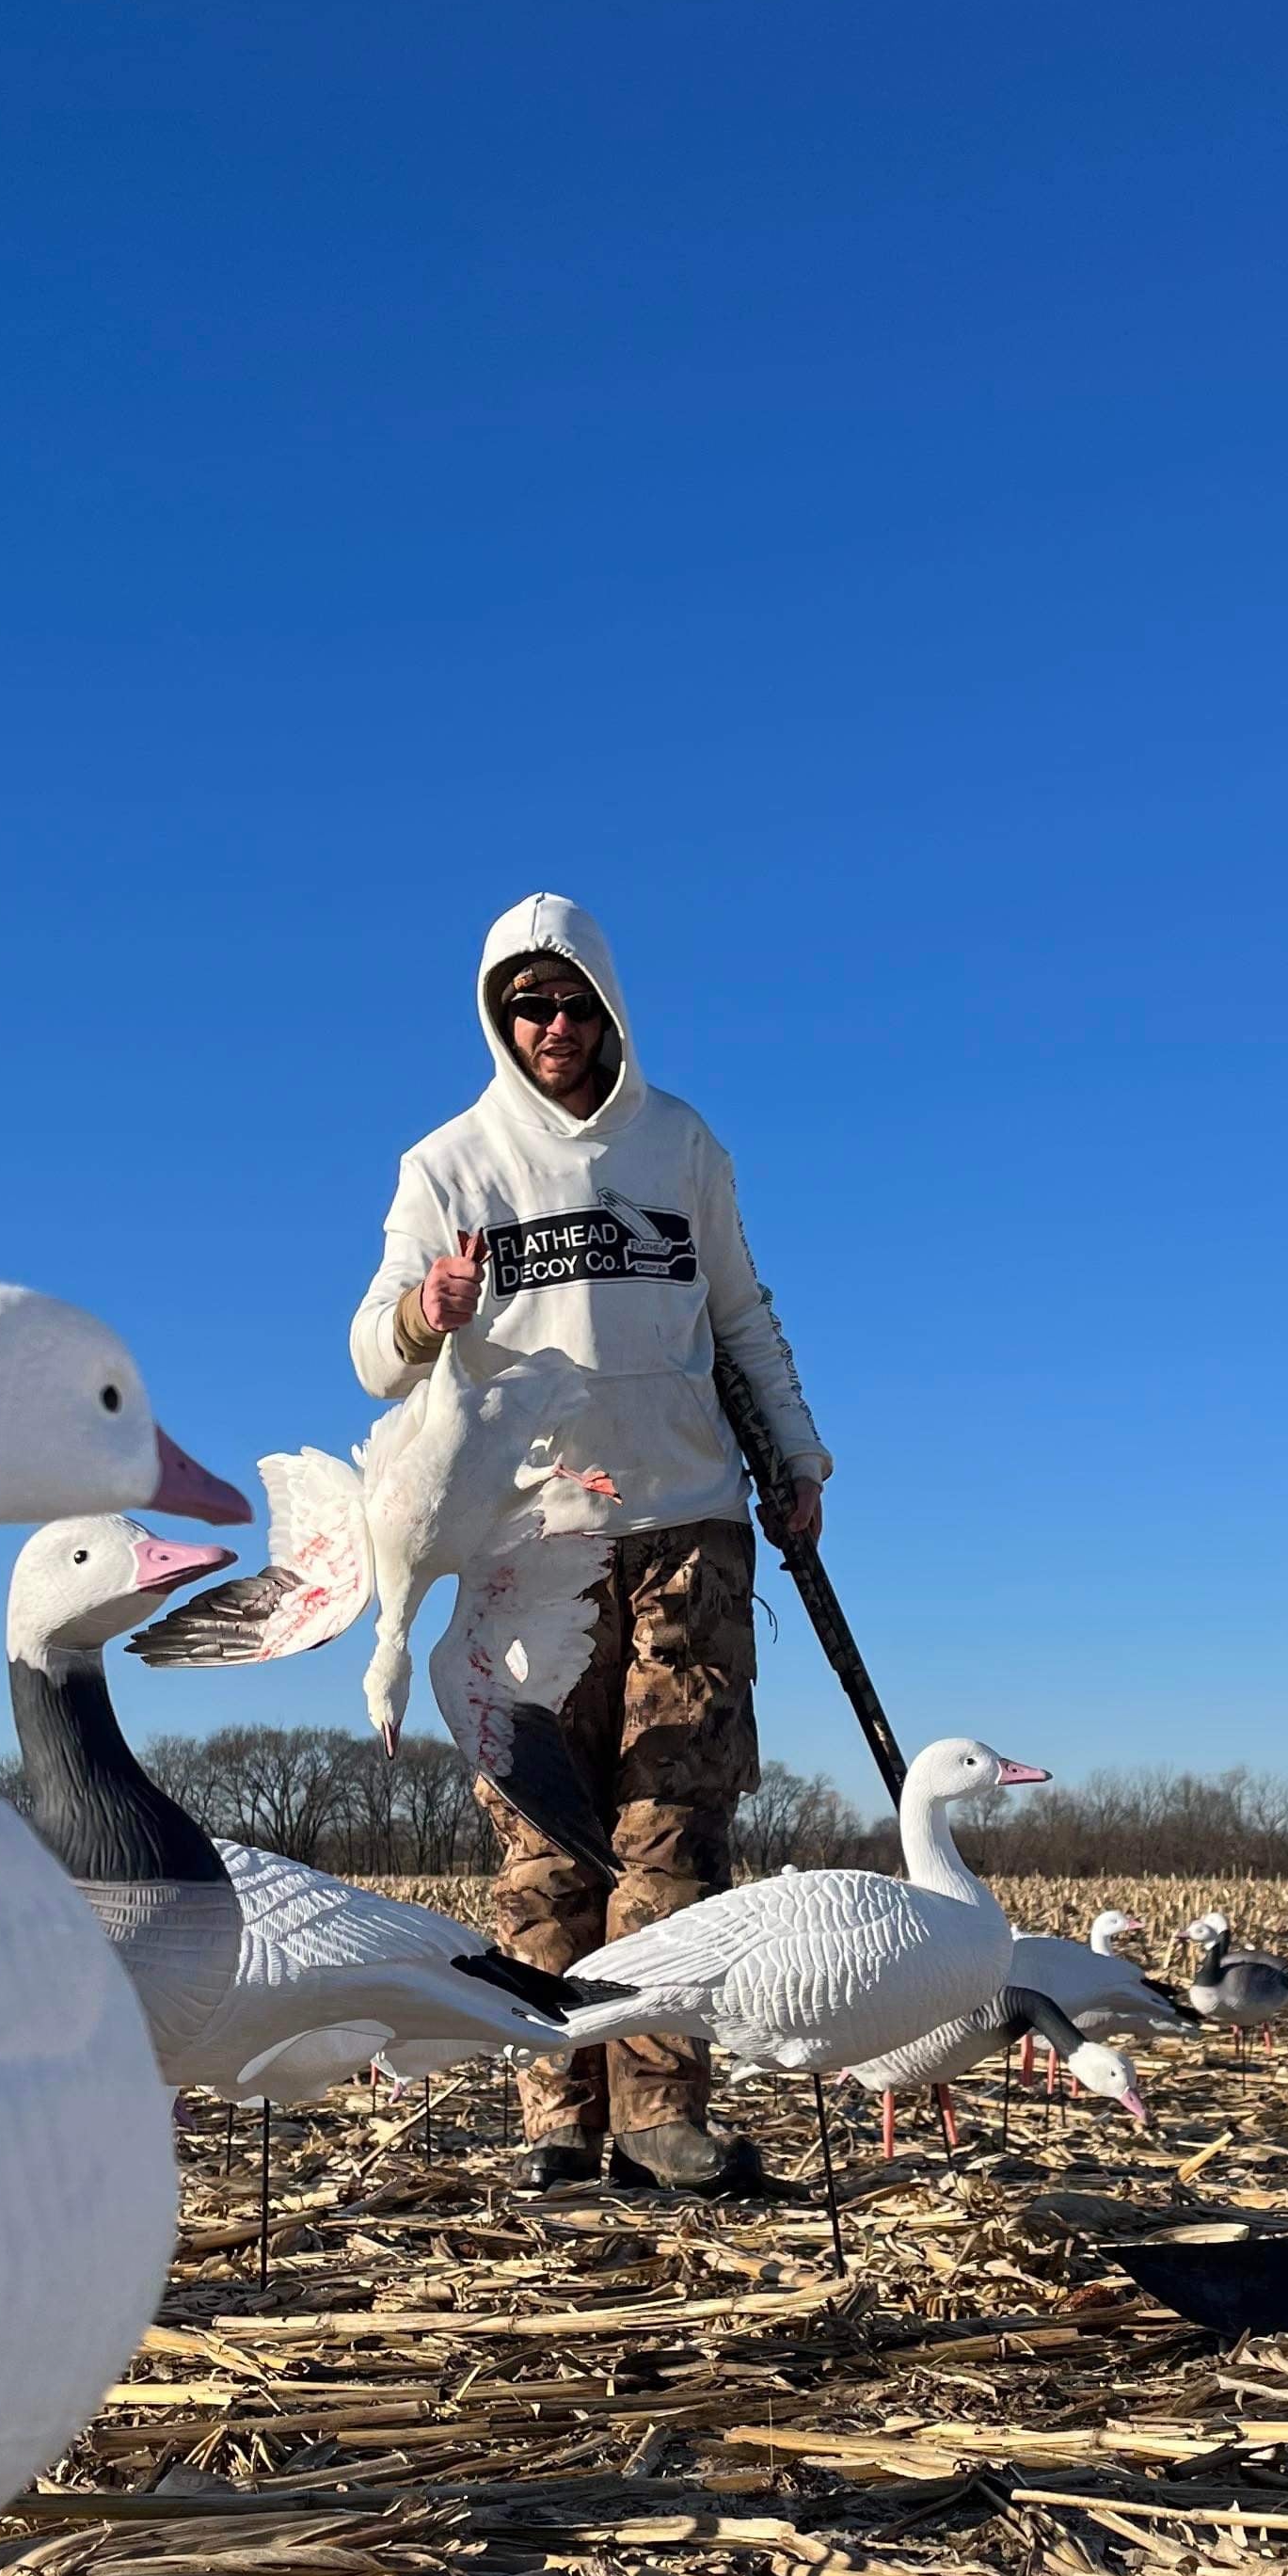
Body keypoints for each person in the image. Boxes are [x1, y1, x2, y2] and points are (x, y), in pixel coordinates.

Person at [350, 891, 831, 2198]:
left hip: (686, 1524)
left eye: (569, 1002)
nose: (550, 1026)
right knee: (545, 1840)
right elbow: (372, 1361)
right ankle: (554, 2115)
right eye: (525, 1006)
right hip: (527, 1543)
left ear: (609, 1005)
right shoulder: (447, 1164)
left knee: (674, 1820)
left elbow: (740, 1314)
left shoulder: (681, 1145)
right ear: (497, 1019)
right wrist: (420, 1312)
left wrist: (797, 1455)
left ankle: (664, 2110)